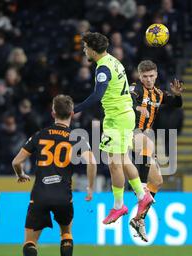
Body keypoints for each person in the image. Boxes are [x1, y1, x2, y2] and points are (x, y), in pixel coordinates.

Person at [11, 95, 97, 256]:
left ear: (53, 113)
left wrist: (21, 175)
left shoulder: (40, 135)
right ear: (72, 114)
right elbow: (92, 162)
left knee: (30, 241)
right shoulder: (77, 138)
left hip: (40, 195)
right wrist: (91, 188)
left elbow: (16, 161)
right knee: (66, 233)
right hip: (63, 196)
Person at [74, 32, 154, 225]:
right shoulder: (114, 61)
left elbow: (97, 96)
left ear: (93, 49)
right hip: (125, 115)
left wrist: (74, 110)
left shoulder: (102, 68)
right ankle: (142, 196)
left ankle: (119, 206)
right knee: (124, 159)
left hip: (117, 119)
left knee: (114, 163)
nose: (84, 50)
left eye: (85, 47)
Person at [129, 60, 184, 241]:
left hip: (143, 138)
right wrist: (136, 107)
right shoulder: (135, 89)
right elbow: (128, 100)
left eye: (151, 76)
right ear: (139, 76)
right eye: (145, 76)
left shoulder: (158, 94)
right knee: (147, 140)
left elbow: (176, 104)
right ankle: (141, 189)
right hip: (128, 134)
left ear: (156, 75)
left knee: (158, 181)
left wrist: (177, 96)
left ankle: (139, 218)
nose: (149, 79)